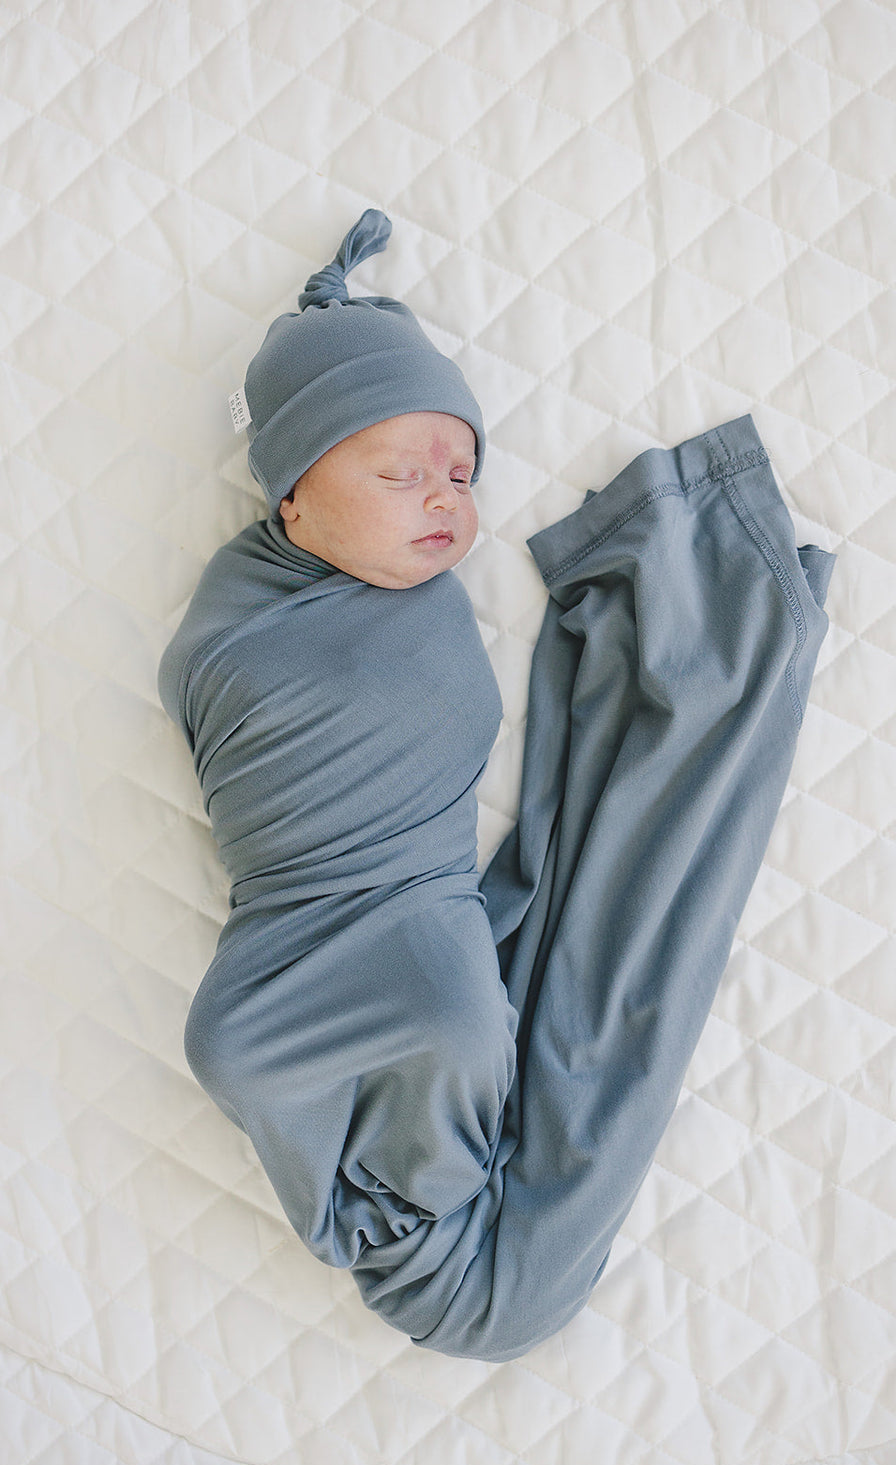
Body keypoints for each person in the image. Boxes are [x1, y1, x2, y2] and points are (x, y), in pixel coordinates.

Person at [158, 210, 834, 1361]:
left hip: (407, 914)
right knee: (255, 1040)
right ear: (291, 497)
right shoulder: (237, 617)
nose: (443, 498)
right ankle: (386, 1175)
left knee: (454, 1018)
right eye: (401, 472)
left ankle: (416, 1205)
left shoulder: (421, 603)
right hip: (283, 922)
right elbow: (204, 690)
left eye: (462, 474)